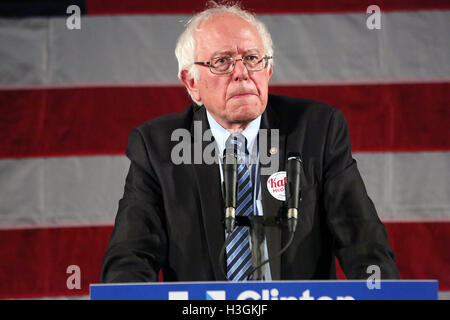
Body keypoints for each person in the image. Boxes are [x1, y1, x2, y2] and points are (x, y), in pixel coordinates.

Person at [101, 2, 399, 283]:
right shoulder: (157, 147)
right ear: (192, 83)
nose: (241, 73)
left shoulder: (317, 130)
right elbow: (131, 257)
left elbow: (363, 241)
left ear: (268, 70)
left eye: (252, 58)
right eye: (222, 61)